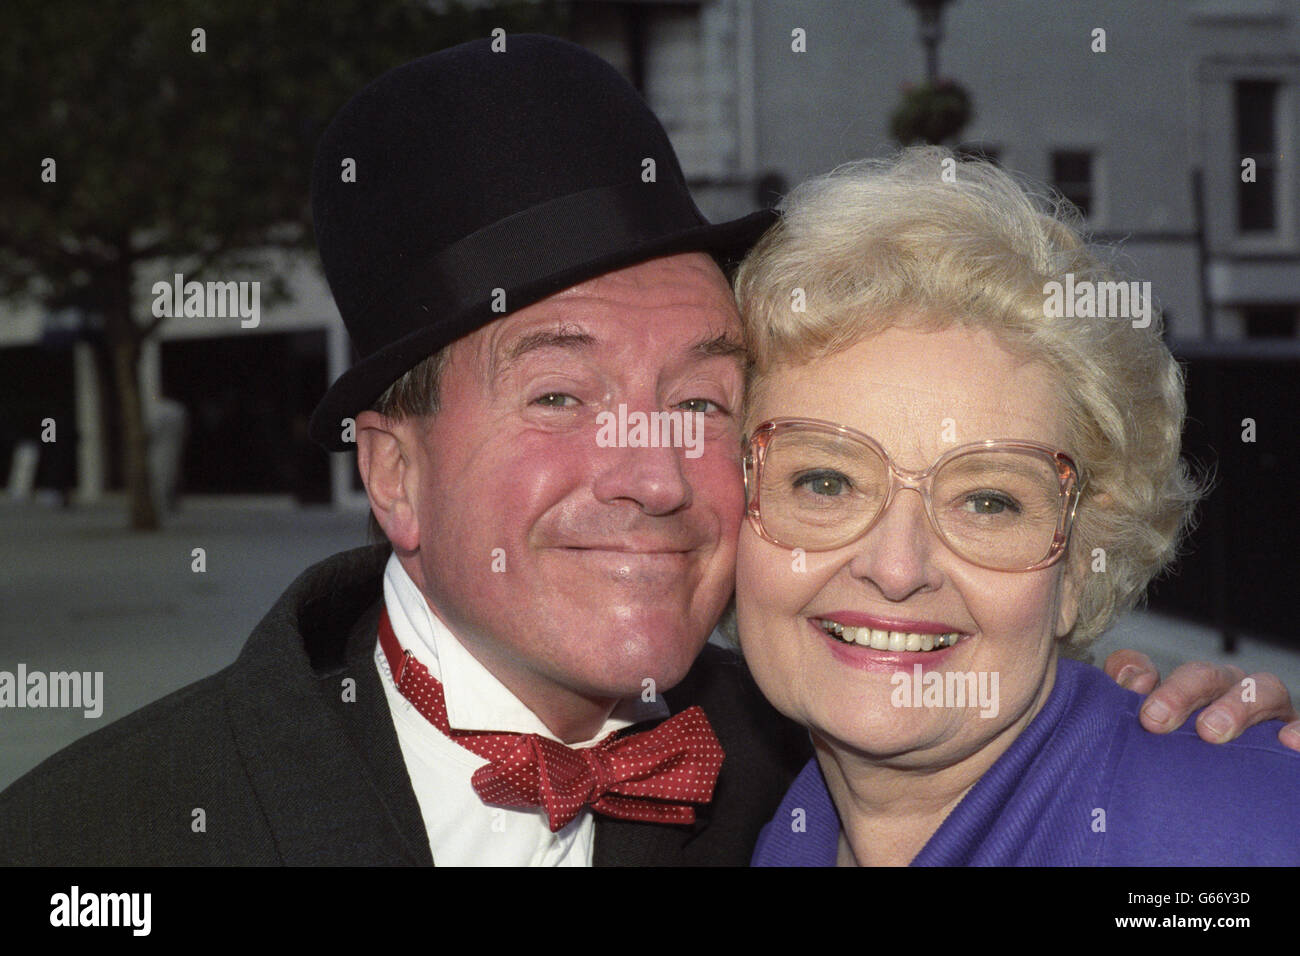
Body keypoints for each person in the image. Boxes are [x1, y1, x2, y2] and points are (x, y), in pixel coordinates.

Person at [0, 37, 1293, 867]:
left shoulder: (796, 756)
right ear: (392, 472)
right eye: (560, 395)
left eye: (698, 404)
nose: (655, 474)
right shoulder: (98, 837)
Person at [734, 147, 1300, 866]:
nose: (896, 566)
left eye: (988, 501)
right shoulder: (769, 827)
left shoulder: (1237, 837)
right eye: (826, 483)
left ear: (1079, 566)